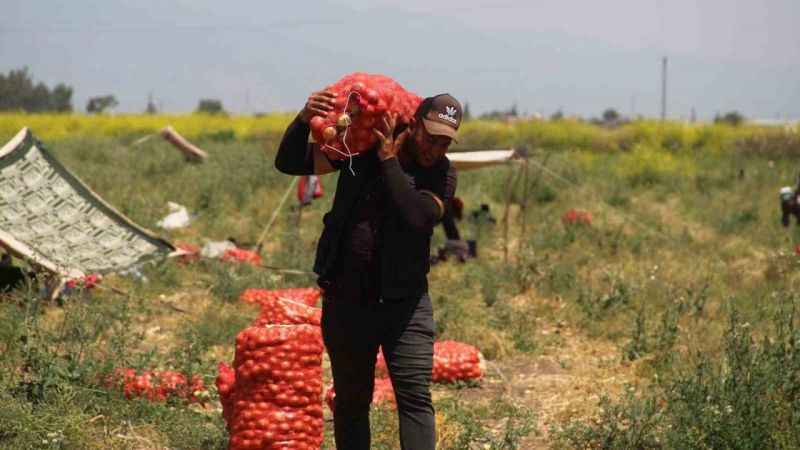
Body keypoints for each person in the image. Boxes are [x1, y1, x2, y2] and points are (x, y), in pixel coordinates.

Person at [275, 89, 461, 450]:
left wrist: (390, 161)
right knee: (351, 402)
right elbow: (289, 162)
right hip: (348, 300)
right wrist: (302, 121)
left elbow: (416, 216)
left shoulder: (442, 174)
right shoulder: (359, 151)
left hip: (404, 305)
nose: (435, 149)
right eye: (430, 137)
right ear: (415, 124)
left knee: (415, 399)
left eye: (444, 143)